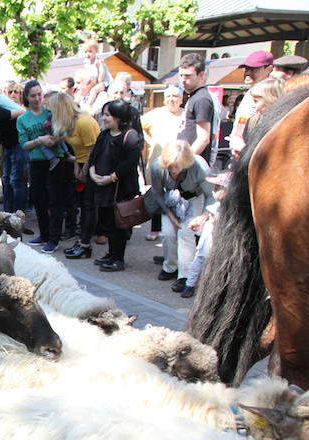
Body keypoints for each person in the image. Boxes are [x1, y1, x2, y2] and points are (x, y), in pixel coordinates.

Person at [149, 140, 214, 293]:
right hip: (171, 198)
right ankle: (170, 266)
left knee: (186, 234)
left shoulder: (200, 168)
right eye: (170, 167)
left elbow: (211, 195)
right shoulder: (157, 166)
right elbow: (157, 193)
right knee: (167, 234)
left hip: (193, 198)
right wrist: (170, 215)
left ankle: (184, 275)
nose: (173, 171)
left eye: (177, 167)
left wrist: (203, 217)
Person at [86, 99, 143, 271]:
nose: (103, 118)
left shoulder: (131, 136)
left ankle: (118, 257)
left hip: (120, 189)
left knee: (119, 223)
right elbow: (94, 155)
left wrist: (111, 177)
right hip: (102, 187)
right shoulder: (104, 134)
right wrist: (93, 172)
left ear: (119, 117)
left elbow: (130, 163)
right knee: (108, 222)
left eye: (107, 115)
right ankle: (111, 254)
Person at [18, 81, 65, 253]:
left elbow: (65, 130)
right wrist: (39, 140)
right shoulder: (23, 119)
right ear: (27, 98)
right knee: (39, 198)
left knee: (55, 199)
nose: (37, 99)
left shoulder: (51, 111)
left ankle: (54, 238)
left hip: (55, 159)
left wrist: (57, 139)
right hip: (36, 160)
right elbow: (24, 144)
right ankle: (44, 234)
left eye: (40, 94)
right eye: (33, 96)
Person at [58, 91, 101, 259]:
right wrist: (77, 165)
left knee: (89, 205)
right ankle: (83, 241)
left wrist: (84, 170)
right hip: (82, 163)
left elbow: (93, 150)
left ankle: (85, 244)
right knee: (83, 204)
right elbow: (79, 149)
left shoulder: (84, 122)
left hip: (93, 166)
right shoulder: (71, 123)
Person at [141, 84, 186, 242]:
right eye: (168, 96)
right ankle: (155, 229)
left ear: (181, 98)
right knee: (156, 193)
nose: (171, 99)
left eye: (175, 96)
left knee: (176, 194)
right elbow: (140, 126)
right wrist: (150, 140)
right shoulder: (157, 114)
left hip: (178, 164)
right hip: (158, 161)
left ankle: (175, 225)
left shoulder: (185, 115)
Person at [177, 53, 218, 166]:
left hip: (192, 167)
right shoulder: (195, 96)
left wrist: (182, 164)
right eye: (181, 75)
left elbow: (203, 139)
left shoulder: (202, 99)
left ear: (201, 75)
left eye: (188, 75)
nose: (183, 80)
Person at [229, 50, 273, 151]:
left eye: (254, 69)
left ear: (268, 69)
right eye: (246, 69)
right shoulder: (249, 93)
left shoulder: (270, 95)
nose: (248, 72)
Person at [230, 77, 284, 153]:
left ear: (270, 99)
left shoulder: (283, 126)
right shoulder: (253, 121)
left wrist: (243, 149)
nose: (253, 106)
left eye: (256, 101)